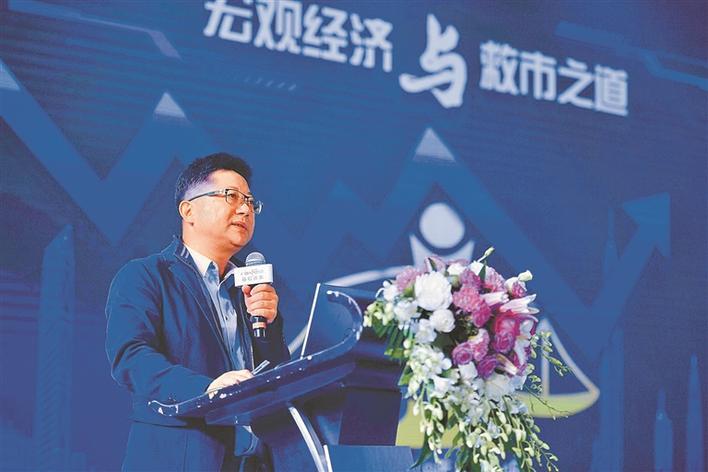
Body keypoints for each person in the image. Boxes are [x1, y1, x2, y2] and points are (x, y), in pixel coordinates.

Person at [105, 152, 290, 471]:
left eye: (250, 201)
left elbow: (276, 377)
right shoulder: (145, 276)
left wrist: (269, 328)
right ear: (188, 210)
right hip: (178, 459)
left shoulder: (249, 287)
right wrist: (206, 390)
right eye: (231, 196)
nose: (245, 209)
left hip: (252, 462)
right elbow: (131, 357)